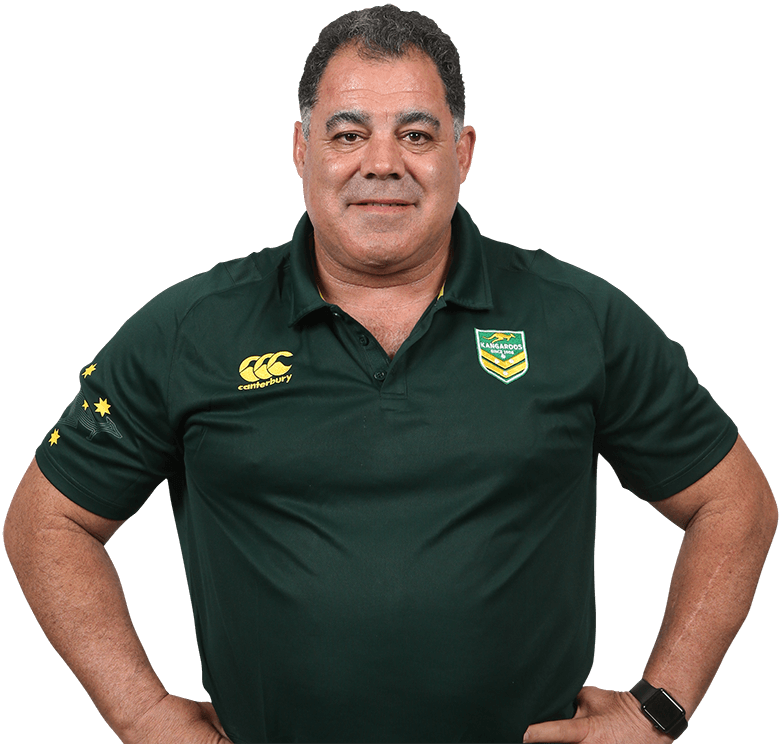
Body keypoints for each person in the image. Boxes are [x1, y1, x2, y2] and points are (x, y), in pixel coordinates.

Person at [4, 5, 777, 743]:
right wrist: (141, 714)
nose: (381, 163)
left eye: (415, 133)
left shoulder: (579, 316)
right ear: (301, 149)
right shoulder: (186, 329)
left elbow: (735, 501)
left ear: (462, 153)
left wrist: (656, 710)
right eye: (348, 134)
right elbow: (46, 521)